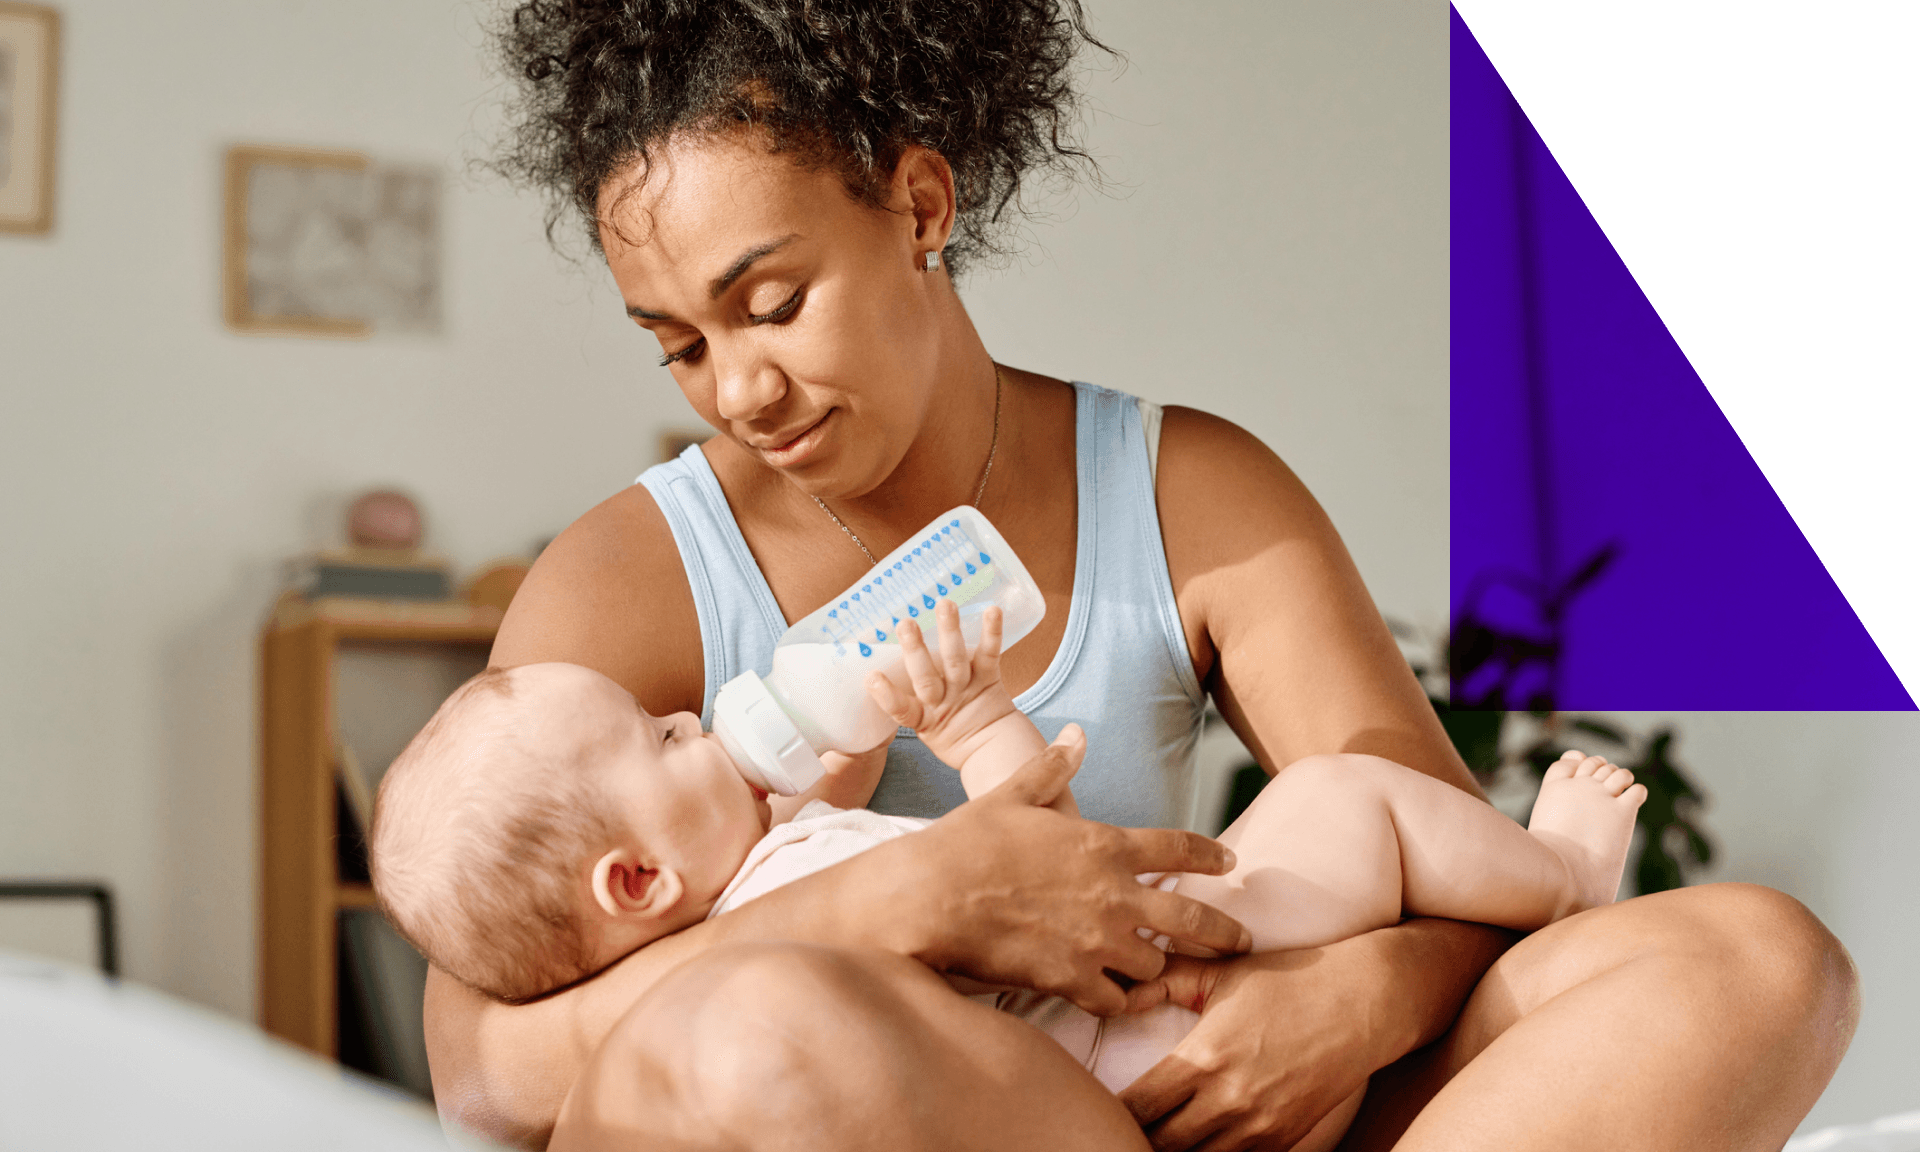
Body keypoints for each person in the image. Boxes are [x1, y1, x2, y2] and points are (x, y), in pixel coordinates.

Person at [430, 2, 1859, 1149]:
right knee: (746, 1035)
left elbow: (1437, 872)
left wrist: (1348, 1000)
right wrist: (893, 908)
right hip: (929, 1112)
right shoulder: (633, 576)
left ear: (920, 201)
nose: (736, 386)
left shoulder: (1185, 491)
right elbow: (487, 1080)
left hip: (1173, 1068)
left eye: (771, 301)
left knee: (1757, 963)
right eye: (677, 343)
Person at [384, 602, 1644, 1151]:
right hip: (1165, 1012)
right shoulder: (774, 925)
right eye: (660, 738)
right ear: (639, 881)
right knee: (1331, 797)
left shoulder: (762, 894)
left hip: (1155, 1071)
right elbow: (1048, 857)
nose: (687, 714)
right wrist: (986, 729)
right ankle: (1559, 872)